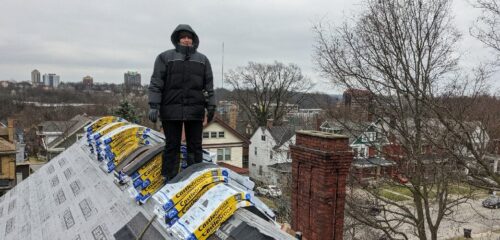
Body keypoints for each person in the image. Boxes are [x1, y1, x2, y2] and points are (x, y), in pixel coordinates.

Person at [148, 24, 215, 181]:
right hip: (171, 109)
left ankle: (194, 177)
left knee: (195, 146)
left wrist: (211, 105)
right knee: (172, 145)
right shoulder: (165, 58)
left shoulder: (202, 60)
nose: (186, 40)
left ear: (193, 40)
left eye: (189, 37)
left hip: (195, 109)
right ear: (177, 39)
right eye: (183, 37)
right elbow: (156, 82)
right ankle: (169, 177)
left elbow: (209, 86)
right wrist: (153, 105)